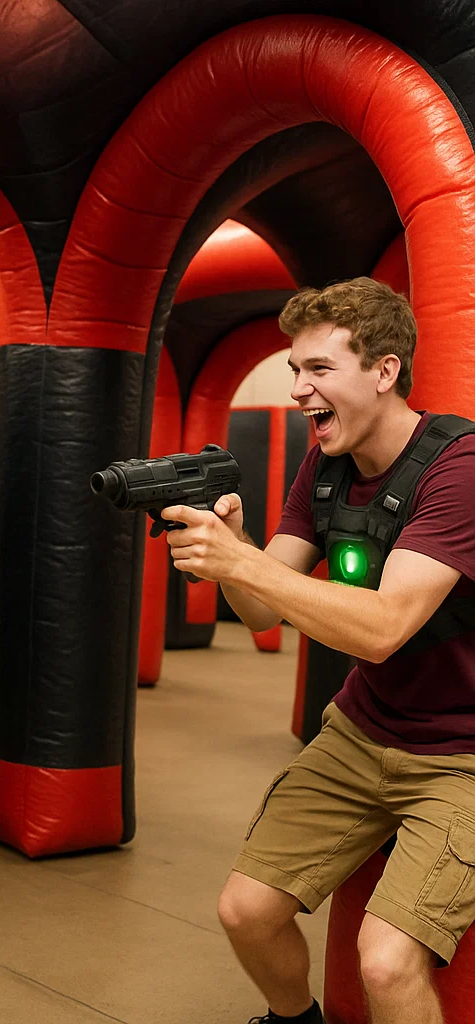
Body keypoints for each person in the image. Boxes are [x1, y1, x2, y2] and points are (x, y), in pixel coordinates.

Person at [162, 278, 475, 1024]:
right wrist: (233, 549)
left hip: (464, 754)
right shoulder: (325, 468)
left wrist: (243, 562)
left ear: (385, 370)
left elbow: (383, 628)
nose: (299, 388)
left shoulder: (459, 468)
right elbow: (261, 611)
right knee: (244, 910)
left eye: (319, 369)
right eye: (295, 369)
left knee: (386, 963)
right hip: (364, 732)